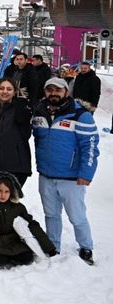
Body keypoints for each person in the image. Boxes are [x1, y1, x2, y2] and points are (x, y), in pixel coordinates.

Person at [32, 77, 99, 265]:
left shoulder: (80, 115)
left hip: (71, 178)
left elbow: (91, 146)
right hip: (46, 175)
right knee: (51, 214)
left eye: (58, 90)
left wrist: (86, 173)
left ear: (66, 92)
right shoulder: (39, 113)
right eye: (49, 90)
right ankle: (53, 245)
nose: (53, 93)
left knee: (76, 215)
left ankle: (86, 246)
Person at [0, 171, 57, 267]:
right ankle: (5, 258)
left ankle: (12, 257)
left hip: (14, 241)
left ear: (12, 192)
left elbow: (32, 225)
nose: (3, 195)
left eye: (7, 191)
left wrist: (49, 248)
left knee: (27, 258)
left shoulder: (18, 207)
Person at [0, 78, 33, 186]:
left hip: (14, 167)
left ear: (14, 92)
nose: (5, 91)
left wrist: (22, 103)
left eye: (9, 89)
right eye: (1, 88)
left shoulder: (19, 109)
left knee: (9, 201)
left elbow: (26, 130)